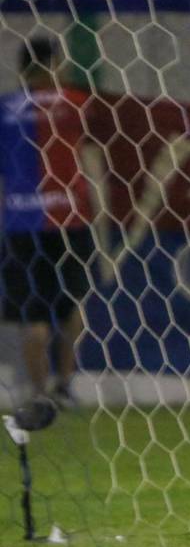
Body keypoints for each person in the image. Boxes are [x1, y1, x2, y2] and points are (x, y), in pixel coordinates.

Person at [0, 37, 95, 407]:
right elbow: (91, 155)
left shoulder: (4, 108)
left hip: (21, 223)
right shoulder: (75, 103)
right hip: (70, 219)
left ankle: (39, 396)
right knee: (72, 306)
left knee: (33, 315)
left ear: (23, 69)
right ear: (55, 64)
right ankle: (65, 386)